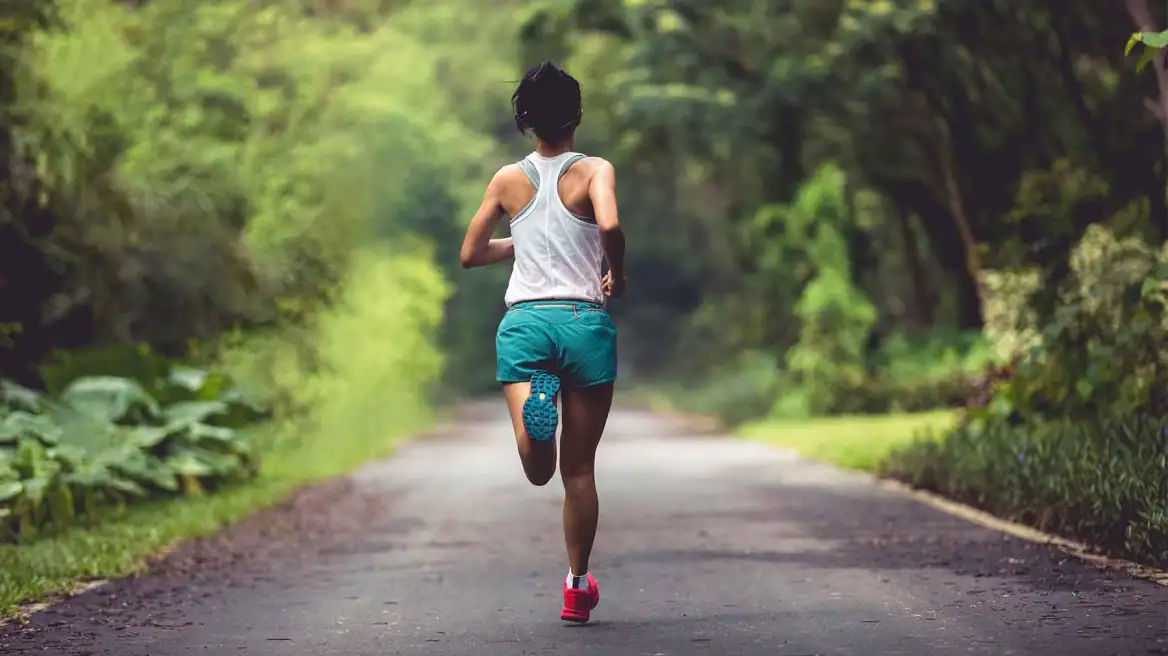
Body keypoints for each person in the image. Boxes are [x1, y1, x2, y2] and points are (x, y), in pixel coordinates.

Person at [459, 60, 626, 624]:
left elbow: (470, 254)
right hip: (583, 323)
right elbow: (609, 226)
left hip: (527, 324)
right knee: (578, 471)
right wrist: (617, 273)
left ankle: (538, 416)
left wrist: (521, 238)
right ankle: (577, 588)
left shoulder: (507, 180)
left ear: (525, 120)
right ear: (577, 115)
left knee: (539, 470)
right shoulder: (595, 170)